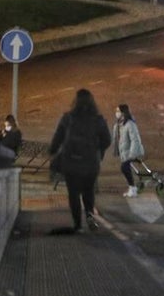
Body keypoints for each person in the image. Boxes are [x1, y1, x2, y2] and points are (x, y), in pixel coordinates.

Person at [49, 88, 111, 233]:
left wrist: (53, 152)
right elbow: (107, 140)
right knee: (89, 191)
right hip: (90, 163)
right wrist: (98, 150)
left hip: (71, 163)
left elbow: (57, 139)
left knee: (74, 193)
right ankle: (89, 214)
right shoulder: (98, 120)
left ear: (75, 102)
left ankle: (77, 224)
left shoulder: (67, 118)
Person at [112, 104, 145, 197]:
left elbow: (135, 139)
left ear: (123, 113)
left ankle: (133, 188)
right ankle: (132, 188)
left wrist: (132, 154)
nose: (116, 113)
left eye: (118, 111)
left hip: (131, 151)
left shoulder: (130, 124)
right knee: (126, 168)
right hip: (125, 151)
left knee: (124, 168)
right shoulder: (119, 124)